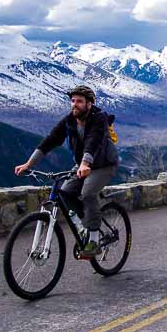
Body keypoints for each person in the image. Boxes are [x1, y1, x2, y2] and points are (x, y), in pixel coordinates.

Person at [15, 85, 118, 257]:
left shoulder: (99, 119)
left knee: (87, 193)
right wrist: (28, 164)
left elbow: (93, 141)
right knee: (65, 193)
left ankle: (93, 239)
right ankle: (87, 222)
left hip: (103, 165)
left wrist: (85, 163)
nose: (74, 104)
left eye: (79, 101)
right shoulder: (69, 121)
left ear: (89, 104)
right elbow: (50, 140)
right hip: (82, 166)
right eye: (73, 101)